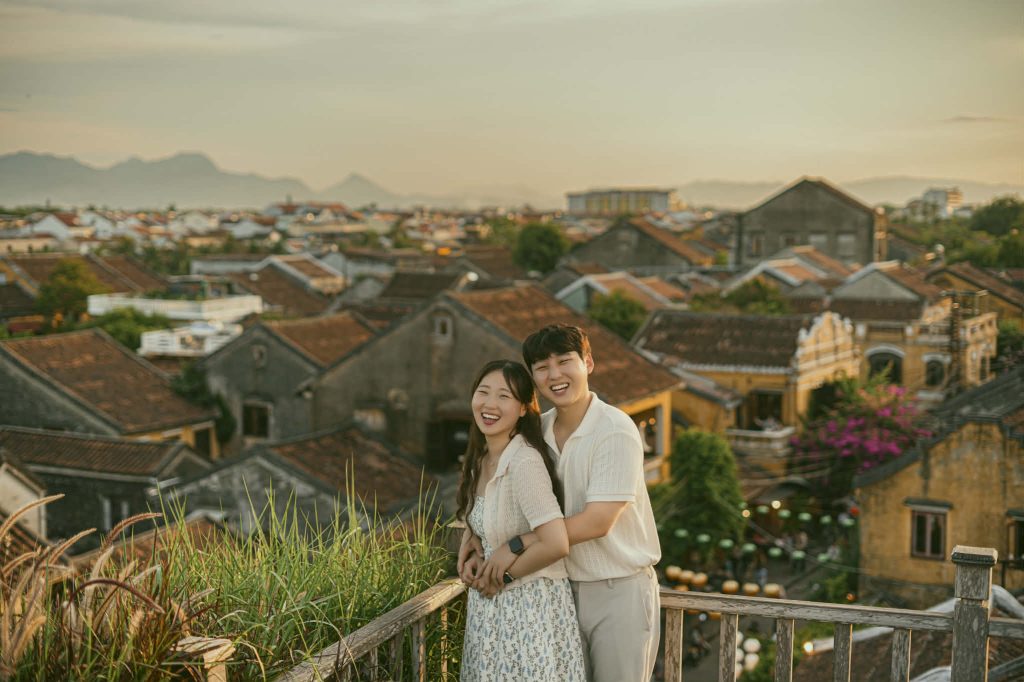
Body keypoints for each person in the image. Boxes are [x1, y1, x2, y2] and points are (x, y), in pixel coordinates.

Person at [459, 324, 661, 682]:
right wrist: (474, 535)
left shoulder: (614, 429)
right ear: (533, 380)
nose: (554, 375)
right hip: (558, 592)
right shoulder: (536, 431)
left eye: (565, 361)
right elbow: (498, 488)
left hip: (617, 589)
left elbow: (599, 521)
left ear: (588, 363)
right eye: (542, 367)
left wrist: (516, 546)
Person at [456, 359, 585, 681]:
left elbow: (556, 543)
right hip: (492, 613)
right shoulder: (482, 458)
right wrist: (472, 542)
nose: (489, 404)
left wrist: (503, 576)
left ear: (524, 408)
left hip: (529, 611)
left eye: (504, 396)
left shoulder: (524, 461)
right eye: (483, 392)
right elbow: (493, 519)